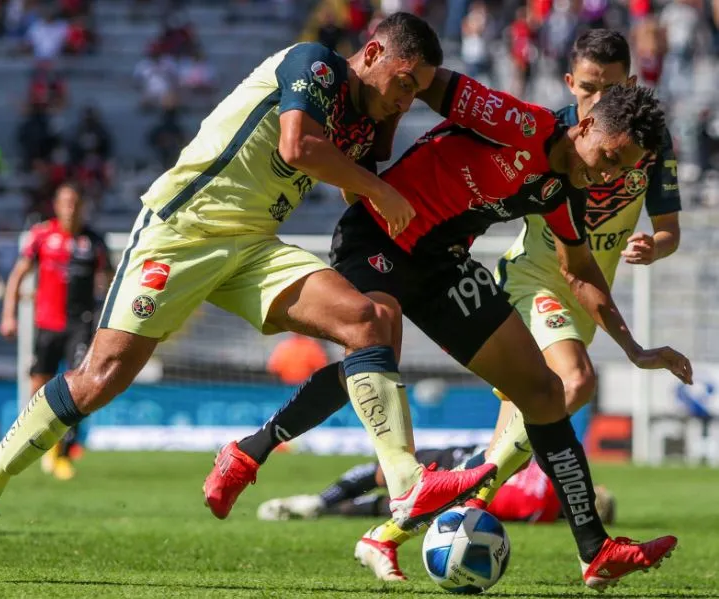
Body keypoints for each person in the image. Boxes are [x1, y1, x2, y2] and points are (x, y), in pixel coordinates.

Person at [0, 13, 497, 580]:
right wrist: (379, 178)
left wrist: (389, 116)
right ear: (374, 52)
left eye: (417, 93)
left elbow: (360, 169)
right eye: (405, 83)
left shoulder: (363, 116)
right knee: (101, 376)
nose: (407, 101)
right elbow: (300, 146)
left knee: (368, 320)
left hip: (252, 246)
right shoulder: (315, 64)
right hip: (183, 231)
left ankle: (403, 481)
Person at [205, 71, 692, 590]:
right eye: (611, 157)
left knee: (546, 392)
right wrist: (368, 159)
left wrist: (634, 348)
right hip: (380, 237)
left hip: (443, 266)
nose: (610, 175)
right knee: (374, 345)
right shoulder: (516, 122)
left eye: (624, 169)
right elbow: (420, 80)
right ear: (588, 125)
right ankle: (250, 453)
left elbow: (580, 269)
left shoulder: (563, 192)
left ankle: (596, 552)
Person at [470, 27, 683, 535]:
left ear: (630, 84)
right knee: (575, 382)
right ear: (570, 83)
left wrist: (656, 246)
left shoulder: (650, 144)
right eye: (588, 89)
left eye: (611, 89)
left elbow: (671, 230)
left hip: (586, 297)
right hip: (536, 282)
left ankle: (456, 507)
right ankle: (462, 490)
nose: (598, 100)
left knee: (507, 448)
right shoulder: (554, 135)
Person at [0, 183, 113, 481]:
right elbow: (18, 274)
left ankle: (64, 450)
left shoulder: (94, 241)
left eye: (75, 201)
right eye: (65, 202)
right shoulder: (42, 237)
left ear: (82, 205)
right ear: (56, 205)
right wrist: (9, 314)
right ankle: (37, 444)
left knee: (79, 388)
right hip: (47, 325)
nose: (70, 207)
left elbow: (111, 281)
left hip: (81, 325)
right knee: (39, 386)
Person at [257, 448, 615, 526]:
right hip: (463, 489)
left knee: (385, 478)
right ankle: (324, 506)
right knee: (392, 499)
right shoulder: (543, 511)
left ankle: (322, 504)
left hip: (465, 469)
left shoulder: (548, 484)